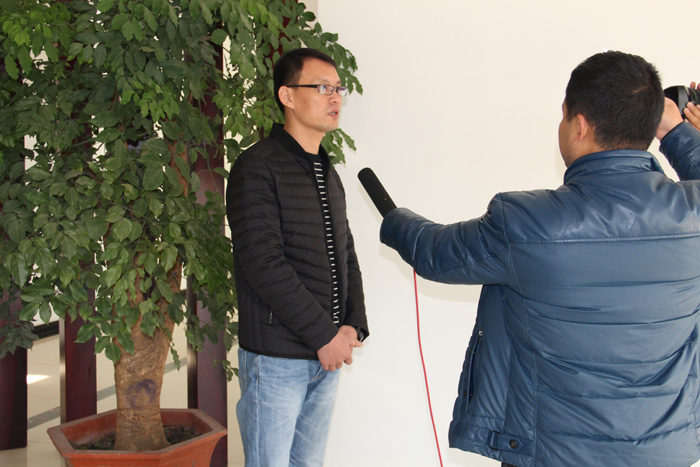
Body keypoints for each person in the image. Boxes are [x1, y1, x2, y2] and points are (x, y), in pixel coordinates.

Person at [378, 50, 700, 467]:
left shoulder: (524, 222)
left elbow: (435, 252)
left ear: (579, 125)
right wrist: (676, 131)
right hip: (664, 455)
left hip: (552, 454)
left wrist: (393, 217)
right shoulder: (692, 214)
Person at [226, 48, 369, 467]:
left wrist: (352, 323)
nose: (335, 97)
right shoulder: (256, 167)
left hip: (324, 355)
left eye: (338, 88)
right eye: (323, 87)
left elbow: (345, 252)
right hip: (276, 359)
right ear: (287, 96)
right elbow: (262, 263)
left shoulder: (327, 171)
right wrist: (324, 336)